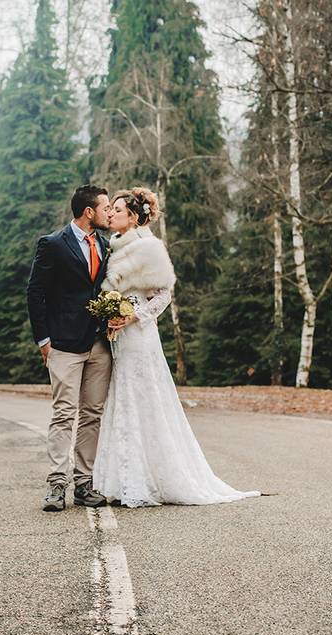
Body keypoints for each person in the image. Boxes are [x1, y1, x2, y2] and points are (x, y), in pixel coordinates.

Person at [92, 187, 260, 508]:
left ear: (134, 216)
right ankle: (123, 478)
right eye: (109, 208)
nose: (110, 213)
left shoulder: (148, 246)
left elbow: (163, 294)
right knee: (124, 399)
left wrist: (132, 316)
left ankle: (152, 478)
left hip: (139, 335)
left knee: (144, 398)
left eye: (117, 209)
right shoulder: (114, 246)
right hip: (119, 336)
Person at [26, 184, 113, 512]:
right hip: (63, 345)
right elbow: (35, 292)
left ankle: (84, 484)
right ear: (89, 212)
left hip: (100, 346)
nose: (109, 212)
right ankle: (56, 485)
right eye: (105, 207)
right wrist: (43, 340)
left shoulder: (105, 245)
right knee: (64, 413)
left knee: (92, 414)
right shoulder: (52, 244)